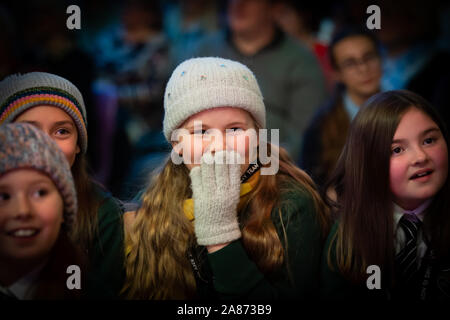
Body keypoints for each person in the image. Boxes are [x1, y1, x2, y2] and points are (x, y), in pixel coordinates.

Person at [122, 57, 330, 300]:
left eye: (234, 129)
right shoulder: (152, 203)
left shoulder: (293, 204)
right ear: (177, 144)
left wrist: (220, 233)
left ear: (258, 137)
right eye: (200, 132)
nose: (219, 147)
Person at [0, 72, 125, 298]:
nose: (46, 143)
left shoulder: (102, 214)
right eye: (30, 131)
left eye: (62, 131)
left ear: (78, 144)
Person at [320, 90, 450, 300]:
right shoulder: (346, 236)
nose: (420, 157)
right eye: (397, 150)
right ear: (368, 164)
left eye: (429, 140)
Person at [194, 0, 327, 163]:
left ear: (274, 8)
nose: (238, 5)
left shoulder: (301, 60)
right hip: (202, 156)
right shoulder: (202, 51)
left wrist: (257, 166)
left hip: (273, 168)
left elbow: (305, 136)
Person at [0, 123, 84, 299]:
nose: (22, 210)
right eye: (4, 197)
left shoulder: (82, 284)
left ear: (65, 206)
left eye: (40, 193)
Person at [300, 28, 382, 187]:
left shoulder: (408, 109)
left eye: (369, 57)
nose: (364, 69)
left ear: (380, 59)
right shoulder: (321, 127)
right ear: (337, 73)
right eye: (350, 63)